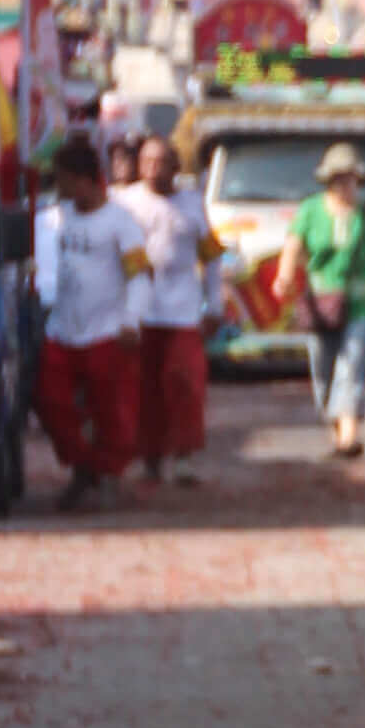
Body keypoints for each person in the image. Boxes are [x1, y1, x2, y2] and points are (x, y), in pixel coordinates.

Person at [34, 132, 145, 507]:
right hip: (62, 330)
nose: (59, 187)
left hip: (108, 332)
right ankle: (84, 468)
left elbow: (140, 275)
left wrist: (132, 320)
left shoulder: (121, 221)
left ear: (83, 180)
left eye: (63, 179)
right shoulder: (56, 217)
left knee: (112, 410)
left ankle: (108, 474)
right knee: (52, 403)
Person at [126, 134, 244, 486]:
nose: (153, 170)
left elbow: (210, 258)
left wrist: (215, 304)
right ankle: (149, 458)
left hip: (183, 312)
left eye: (161, 162)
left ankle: (184, 457)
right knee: (145, 389)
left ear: (176, 167)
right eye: (147, 162)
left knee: (186, 383)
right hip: (140, 314)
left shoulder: (193, 204)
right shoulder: (126, 203)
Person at [286, 142, 365, 463]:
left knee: (351, 365)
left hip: (360, 304)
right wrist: (285, 278)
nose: (346, 185)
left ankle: (348, 437)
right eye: (339, 178)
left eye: (351, 178)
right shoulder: (310, 210)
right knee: (322, 367)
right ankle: (338, 425)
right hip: (321, 302)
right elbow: (293, 248)